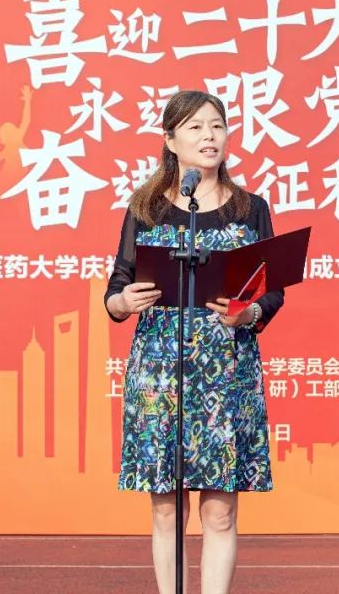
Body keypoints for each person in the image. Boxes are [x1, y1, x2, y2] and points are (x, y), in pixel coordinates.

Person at [105, 90, 283, 594]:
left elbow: (271, 290)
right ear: (170, 140)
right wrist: (124, 302)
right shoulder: (146, 208)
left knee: (220, 511)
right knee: (167, 510)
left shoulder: (250, 209)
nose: (210, 136)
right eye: (196, 127)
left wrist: (249, 312)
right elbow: (116, 289)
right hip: (160, 369)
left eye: (217, 126)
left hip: (226, 368)